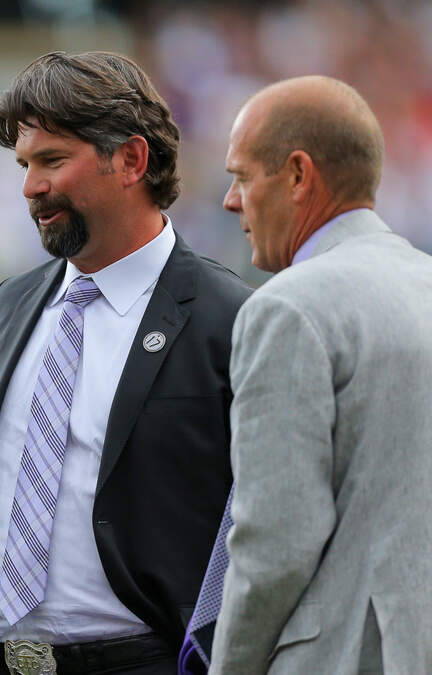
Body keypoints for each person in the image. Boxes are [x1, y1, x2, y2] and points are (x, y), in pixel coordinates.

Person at [0, 52, 251, 675]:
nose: (30, 186)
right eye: (25, 165)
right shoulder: (8, 305)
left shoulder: (232, 319)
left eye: (53, 161)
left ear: (131, 160)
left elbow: (257, 535)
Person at [188, 76, 432, 674]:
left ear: (298, 175)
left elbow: (276, 541)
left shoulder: (287, 308)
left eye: (242, 177)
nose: (230, 200)